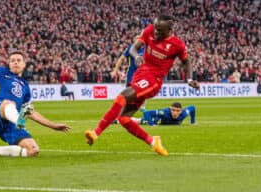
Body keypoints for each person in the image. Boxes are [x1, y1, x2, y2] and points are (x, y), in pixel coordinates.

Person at [84, 15, 200, 156]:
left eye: (159, 30)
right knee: (124, 119)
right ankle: (153, 142)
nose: (155, 32)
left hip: (154, 80)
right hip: (140, 74)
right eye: (155, 28)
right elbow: (133, 48)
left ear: (169, 30)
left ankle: (95, 133)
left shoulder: (177, 45)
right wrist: (136, 56)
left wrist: (189, 79)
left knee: (123, 96)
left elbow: (186, 61)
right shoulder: (149, 30)